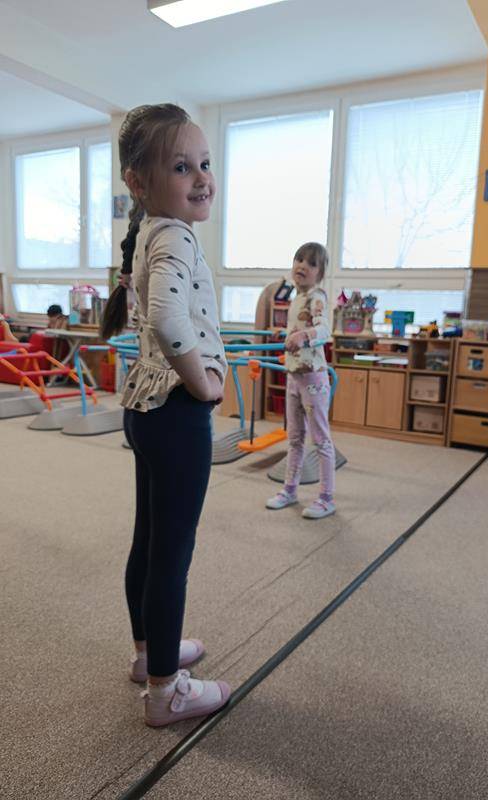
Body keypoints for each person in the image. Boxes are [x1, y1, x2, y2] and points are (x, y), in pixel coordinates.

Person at [100, 104, 230, 727]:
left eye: (204, 163)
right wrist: (204, 384)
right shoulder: (176, 234)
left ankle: (147, 653)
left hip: (145, 407)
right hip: (176, 411)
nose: (201, 178)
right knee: (172, 553)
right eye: (182, 167)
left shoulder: (153, 231)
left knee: (149, 542)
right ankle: (165, 692)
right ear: (138, 181)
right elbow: (168, 319)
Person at [266, 243, 336, 519]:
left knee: (321, 440)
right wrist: (284, 333)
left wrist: (302, 336)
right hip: (294, 376)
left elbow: (324, 329)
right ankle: (290, 489)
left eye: (311, 263)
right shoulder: (298, 297)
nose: (302, 265)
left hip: (313, 377)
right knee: (294, 438)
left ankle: (326, 498)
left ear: (320, 273)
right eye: (299, 259)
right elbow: (298, 327)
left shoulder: (317, 296)